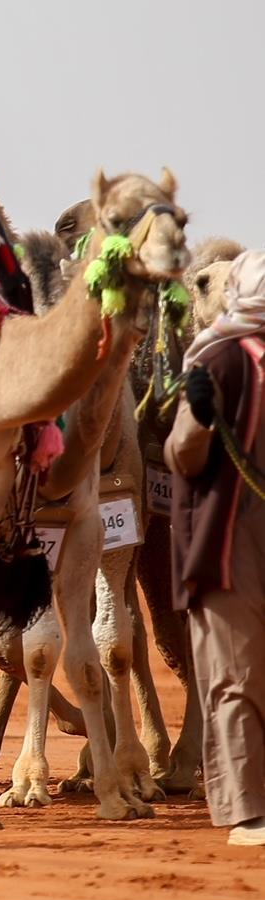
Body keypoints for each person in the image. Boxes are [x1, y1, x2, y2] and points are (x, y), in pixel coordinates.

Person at [167, 249, 265, 848]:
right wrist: (200, 414)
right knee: (237, 674)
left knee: (249, 674)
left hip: (244, 535)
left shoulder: (220, 355)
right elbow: (184, 453)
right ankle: (245, 810)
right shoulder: (220, 360)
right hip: (230, 537)